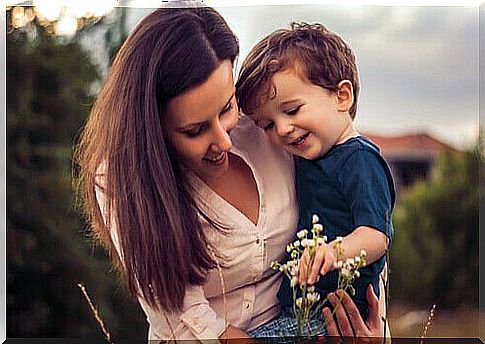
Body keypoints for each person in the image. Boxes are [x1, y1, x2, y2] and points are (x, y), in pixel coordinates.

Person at [74, 6, 387, 342]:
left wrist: (375, 328)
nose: (224, 140)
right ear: (153, 131)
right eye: (195, 130)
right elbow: (181, 316)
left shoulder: (270, 126)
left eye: (226, 107)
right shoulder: (123, 180)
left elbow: (362, 225)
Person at [236, 22, 395, 336]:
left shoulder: (360, 159)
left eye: (292, 110)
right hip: (303, 308)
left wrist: (332, 252)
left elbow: (377, 236)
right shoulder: (308, 155)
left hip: (336, 314)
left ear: (342, 96)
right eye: (267, 124)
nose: (281, 129)